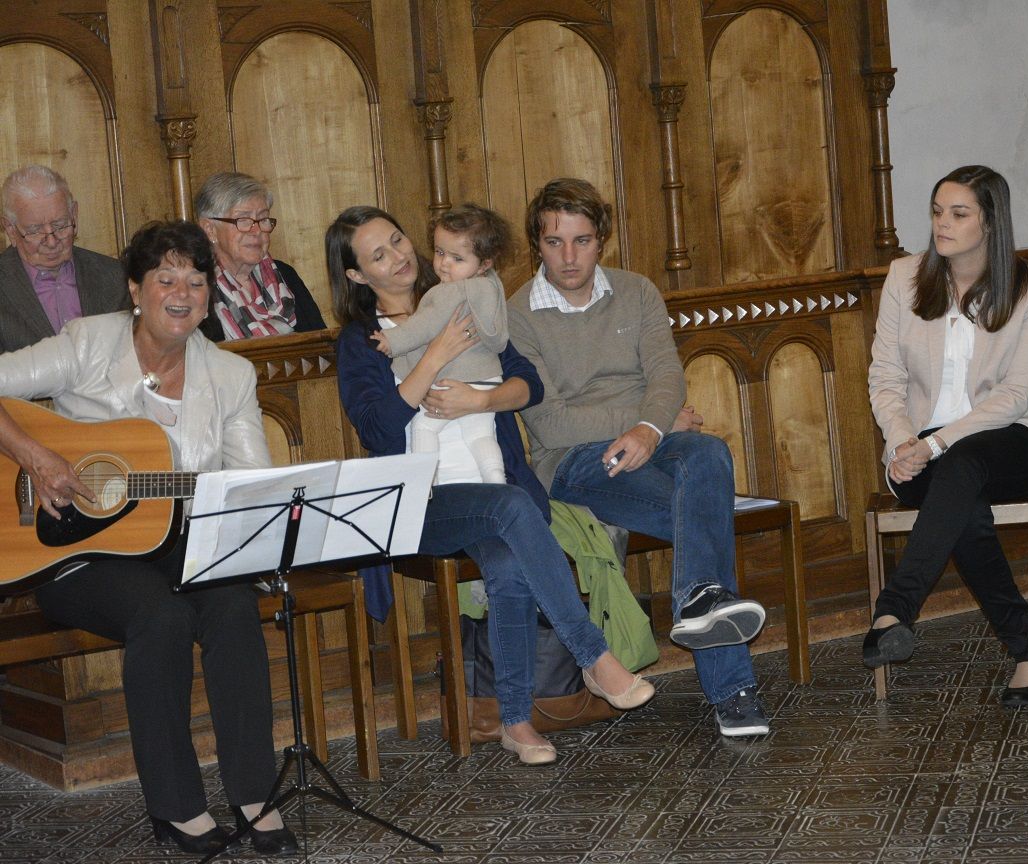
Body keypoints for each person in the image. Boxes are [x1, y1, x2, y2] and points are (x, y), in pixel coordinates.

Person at [0, 221, 296, 856]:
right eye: (166, 279)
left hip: (182, 541)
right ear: (135, 289)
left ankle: (253, 792)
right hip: (72, 550)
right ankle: (177, 805)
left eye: (196, 281)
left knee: (232, 606)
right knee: (160, 617)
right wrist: (34, 457)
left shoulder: (230, 375)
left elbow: (251, 481)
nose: (182, 294)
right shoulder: (87, 342)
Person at [326, 205, 654, 766]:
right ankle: (594, 657)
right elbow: (378, 430)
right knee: (510, 506)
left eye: (399, 239)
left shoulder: (463, 296)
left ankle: (516, 722)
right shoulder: (363, 341)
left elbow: (528, 385)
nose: (400, 256)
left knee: (506, 562)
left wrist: (480, 400)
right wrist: (434, 355)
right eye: (378, 254)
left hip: (486, 485)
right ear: (357, 275)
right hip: (422, 502)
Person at [507, 178, 770, 738]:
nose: (569, 256)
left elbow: (667, 374)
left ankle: (698, 600)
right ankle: (732, 689)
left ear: (601, 240)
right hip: (574, 464)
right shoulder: (517, 316)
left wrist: (650, 430)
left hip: (652, 439)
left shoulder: (637, 291)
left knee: (708, 451)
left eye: (581, 241)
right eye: (554, 242)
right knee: (703, 512)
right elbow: (550, 422)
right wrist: (653, 420)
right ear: (537, 245)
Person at [863, 165, 1028, 707]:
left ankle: (894, 609)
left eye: (958, 213)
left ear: (990, 222)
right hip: (918, 449)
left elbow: (1017, 393)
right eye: (936, 212)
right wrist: (903, 443)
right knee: (963, 505)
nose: (941, 224)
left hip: (1007, 439)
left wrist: (935, 444)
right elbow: (885, 377)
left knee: (962, 463)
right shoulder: (904, 278)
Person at [371, 203, 511, 485]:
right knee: (480, 434)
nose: (444, 263)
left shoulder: (449, 292)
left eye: (457, 258)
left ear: (484, 263)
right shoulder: (492, 287)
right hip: (488, 379)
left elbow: (425, 325)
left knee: (424, 427)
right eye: (440, 252)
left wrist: (393, 340)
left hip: (455, 380)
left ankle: (427, 483)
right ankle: (496, 476)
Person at [0, 164, 130, 352]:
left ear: (74, 215)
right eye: (35, 231)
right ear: (10, 229)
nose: (52, 242)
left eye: (60, 225)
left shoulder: (115, 276)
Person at [195, 171, 326, 341]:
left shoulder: (286, 275)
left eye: (263, 219)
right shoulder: (195, 287)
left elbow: (322, 345)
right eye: (243, 220)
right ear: (210, 229)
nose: (257, 231)